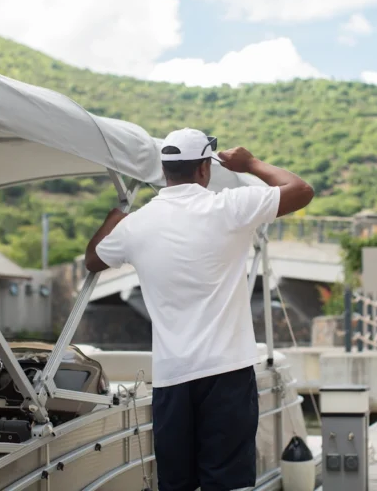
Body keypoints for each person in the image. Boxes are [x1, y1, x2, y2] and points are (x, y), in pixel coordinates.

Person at [84, 127, 314, 491]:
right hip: (227, 372)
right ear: (204, 169)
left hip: (172, 378)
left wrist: (116, 217)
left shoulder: (138, 224)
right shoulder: (229, 206)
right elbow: (301, 190)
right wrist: (251, 163)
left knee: (176, 484)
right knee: (228, 483)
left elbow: (93, 259)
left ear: (164, 170)